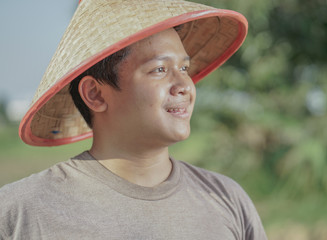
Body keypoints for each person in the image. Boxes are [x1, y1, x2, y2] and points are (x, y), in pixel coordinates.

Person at [0, 0, 267, 239]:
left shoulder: (227, 200)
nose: (184, 85)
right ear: (95, 94)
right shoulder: (20, 214)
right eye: (160, 69)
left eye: (184, 68)